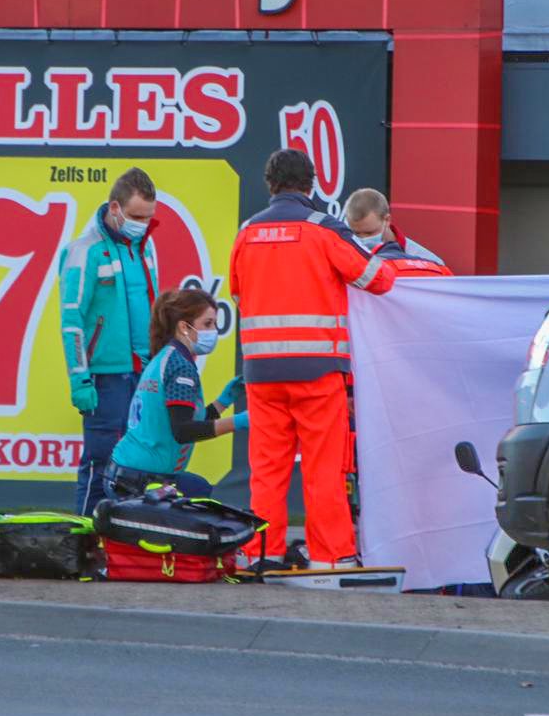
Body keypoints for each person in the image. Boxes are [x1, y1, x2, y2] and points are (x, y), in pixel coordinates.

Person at [230, 150, 397, 570]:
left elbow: (236, 291)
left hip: (262, 373)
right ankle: (331, 557)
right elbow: (379, 279)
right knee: (324, 468)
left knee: (267, 470)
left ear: (270, 184)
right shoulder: (324, 229)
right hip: (317, 371)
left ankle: (261, 553)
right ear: (311, 185)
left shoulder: (247, 232)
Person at [57, 167, 160, 516]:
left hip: (144, 373)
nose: (142, 224)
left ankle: (127, 537)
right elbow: (71, 321)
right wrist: (79, 378)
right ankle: (87, 537)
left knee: (140, 465)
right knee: (100, 462)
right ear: (114, 207)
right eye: (136, 217)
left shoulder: (146, 248)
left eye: (148, 217)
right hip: (105, 377)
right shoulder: (83, 251)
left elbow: (153, 307)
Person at [103, 289, 247, 502]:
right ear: (184, 327)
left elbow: (184, 419)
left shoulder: (167, 356)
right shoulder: (180, 366)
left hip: (126, 471)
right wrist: (241, 421)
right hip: (137, 480)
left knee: (200, 489)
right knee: (206, 504)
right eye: (208, 324)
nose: (214, 331)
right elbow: (183, 431)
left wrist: (223, 401)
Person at [343, 187, 444, 265]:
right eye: (356, 233)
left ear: (387, 220)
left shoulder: (429, 262)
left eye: (369, 232)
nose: (363, 239)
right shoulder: (342, 255)